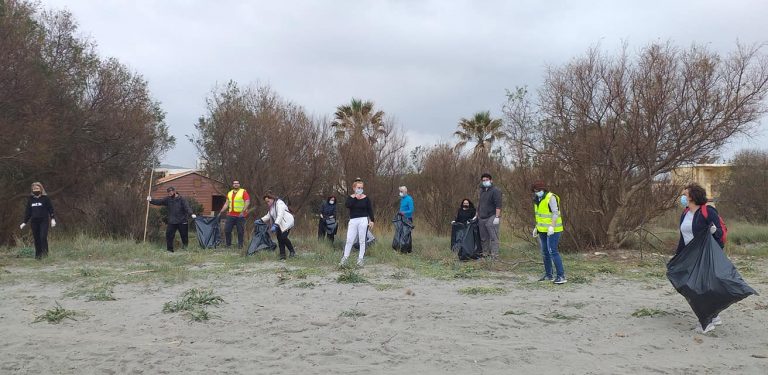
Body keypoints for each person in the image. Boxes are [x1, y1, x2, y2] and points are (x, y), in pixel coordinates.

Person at [676, 183, 724, 333]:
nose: (682, 197)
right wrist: (678, 257)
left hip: (705, 257)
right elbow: (683, 237)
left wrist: (714, 231)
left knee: (698, 288)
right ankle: (714, 316)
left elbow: (720, 234)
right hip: (690, 256)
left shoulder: (707, 211)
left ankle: (706, 322)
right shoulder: (685, 213)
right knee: (693, 287)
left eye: (685, 195)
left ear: (692, 197)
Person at [531, 180, 567, 284]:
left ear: (543, 189)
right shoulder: (537, 199)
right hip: (542, 230)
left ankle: (561, 276)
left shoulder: (551, 197)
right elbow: (540, 215)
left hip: (553, 230)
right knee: (545, 252)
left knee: (553, 251)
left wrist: (552, 226)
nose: (537, 192)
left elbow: (555, 213)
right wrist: (536, 227)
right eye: (535, 191)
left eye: (538, 190)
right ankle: (548, 275)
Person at [147, 186, 196, 252]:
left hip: (182, 221)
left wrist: (191, 213)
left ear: (174, 191)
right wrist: (151, 200)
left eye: (171, 192)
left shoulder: (182, 199)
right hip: (172, 221)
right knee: (169, 235)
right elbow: (159, 201)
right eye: (168, 193)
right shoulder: (168, 199)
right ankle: (170, 250)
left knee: (184, 237)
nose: (170, 194)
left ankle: (185, 249)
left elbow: (187, 207)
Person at [340, 179, 375, 267]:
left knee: (362, 240)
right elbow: (348, 205)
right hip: (353, 220)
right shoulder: (351, 198)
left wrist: (372, 220)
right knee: (349, 240)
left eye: (361, 188)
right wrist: (355, 197)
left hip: (363, 220)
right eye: (358, 187)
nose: (360, 189)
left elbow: (370, 210)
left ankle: (360, 259)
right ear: (354, 188)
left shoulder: (366, 198)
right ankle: (345, 259)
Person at [20, 182, 56, 259]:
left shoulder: (45, 198)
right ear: (32, 190)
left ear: (41, 189)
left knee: (43, 237)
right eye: (34, 189)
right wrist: (24, 222)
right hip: (34, 222)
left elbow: (50, 209)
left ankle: (45, 255)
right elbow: (28, 212)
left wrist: (53, 219)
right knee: (36, 238)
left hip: (44, 221)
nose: (35, 190)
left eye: (37, 188)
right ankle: (38, 255)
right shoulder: (30, 199)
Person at [260, 192, 295, 260]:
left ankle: (292, 251)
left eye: (268, 201)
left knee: (283, 237)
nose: (267, 203)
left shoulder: (279, 203)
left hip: (286, 223)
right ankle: (282, 255)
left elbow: (280, 215)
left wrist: (275, 225)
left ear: (272, 199)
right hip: (279, 224)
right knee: (279, 238)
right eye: (266, 202)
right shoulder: (271, 207)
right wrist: (260, 220)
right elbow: (268, 216)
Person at [477, 173, 502, 258]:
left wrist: (497, 217)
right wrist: (477, 214)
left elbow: (498, 204)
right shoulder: (482, 190)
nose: (485, 181)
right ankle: (485, 254)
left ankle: (495, 255)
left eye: (486, 180)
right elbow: (480, 203)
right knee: (483, 238)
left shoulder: (496, 190)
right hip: (482, 216)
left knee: (493, 237)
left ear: (491, 180)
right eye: (483, 180)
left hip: (492, 216)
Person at [219, 180, 250, 249]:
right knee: (227, 230)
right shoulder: (229, 193)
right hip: (230, 215)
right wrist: (221, 211)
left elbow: (247, 202)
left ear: (239, 184)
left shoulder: (243, 192)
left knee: (240, 231)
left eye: (237, 183)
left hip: (240, 215)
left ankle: (240, 246)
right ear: (233, 185)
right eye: (234, 183)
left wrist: (243, 211)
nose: (236, 184)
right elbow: (226, 203)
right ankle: (228, 245)